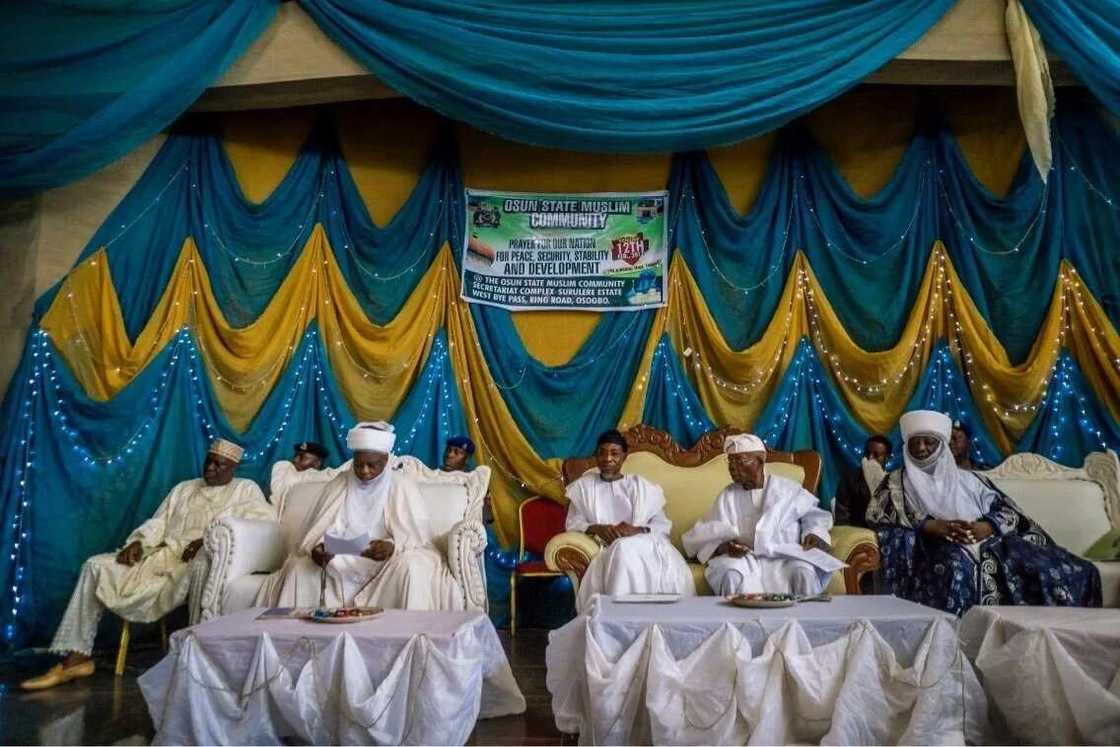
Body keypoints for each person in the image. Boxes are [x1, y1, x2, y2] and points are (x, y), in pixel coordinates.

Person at [21, 439, 273, 690]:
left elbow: (260, 521)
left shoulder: (245, 489)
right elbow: (160, 522)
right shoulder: (184, 488)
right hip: (161, 554)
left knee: (200, 566)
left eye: (220, 465)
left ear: (233, 468)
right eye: (209, 461)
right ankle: (76, 658)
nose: (211, 468)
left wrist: (206, 540)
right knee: (95, 565)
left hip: (193, 563)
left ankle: (196, 665)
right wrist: (139, 542)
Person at [867, 410, 1101, 615]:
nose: (921, 448)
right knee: (954, 568)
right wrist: (931, 526)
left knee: (1060, 569)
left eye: (928, 442)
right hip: (932, 546)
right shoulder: (896, 482)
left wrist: (986, 527)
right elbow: (878, 516)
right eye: (914, 443)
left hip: (989, 541)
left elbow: (1010, 512)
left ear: (941, 445)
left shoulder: (970, 480)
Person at [255, 422, 467, 610]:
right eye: (358, 465)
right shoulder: (339, 483)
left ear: (385, 460)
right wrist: (318, 548)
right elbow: (317, 532)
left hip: (388, 559)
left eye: (371, 465)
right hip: (343, 554)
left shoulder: (401, 485)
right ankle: (292, 638)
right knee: (299, 567)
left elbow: (418, 539)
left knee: (413, 566)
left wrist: (393, 546)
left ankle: (402, 638)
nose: (364, 471)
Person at [682, 434, 842, 596]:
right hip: (744, 560)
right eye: (731, 462)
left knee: (803, 571)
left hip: (785, 556)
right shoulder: (727, 496)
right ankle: (736, 621)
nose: (732, 467)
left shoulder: (787, 489)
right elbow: (707, 533)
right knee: (731, 574)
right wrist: (725, 547)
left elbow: (814, 517)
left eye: (740, 461)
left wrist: (814, 533)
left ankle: (804, 621)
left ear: (760, 460)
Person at [564, 429, 695, 612]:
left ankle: (625, 616)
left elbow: (662, 525)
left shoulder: (641, 487)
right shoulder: (584, 487)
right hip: (605, 548)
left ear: (624, 456)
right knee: (620, 548)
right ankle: (622, 618)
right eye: (602, 453)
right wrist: (597, 528)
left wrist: (636, 530)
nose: (607, 459)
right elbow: (573, 523)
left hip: (645, 545)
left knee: (624, 547)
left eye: (614, 453)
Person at [269, 441, 348, 513]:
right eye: (295, 455)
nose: (295, 460)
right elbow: (280, 489)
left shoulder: (324, 481)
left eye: (302, 457)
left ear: (317, 463)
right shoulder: (285, 467)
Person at [833, 435, 891, 528]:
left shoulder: (892, 482)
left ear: (887, 457)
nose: (870, 458)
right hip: (856, 533)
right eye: (867, 454)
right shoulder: (850, 478)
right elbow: (842, 515)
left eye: (876, 455)